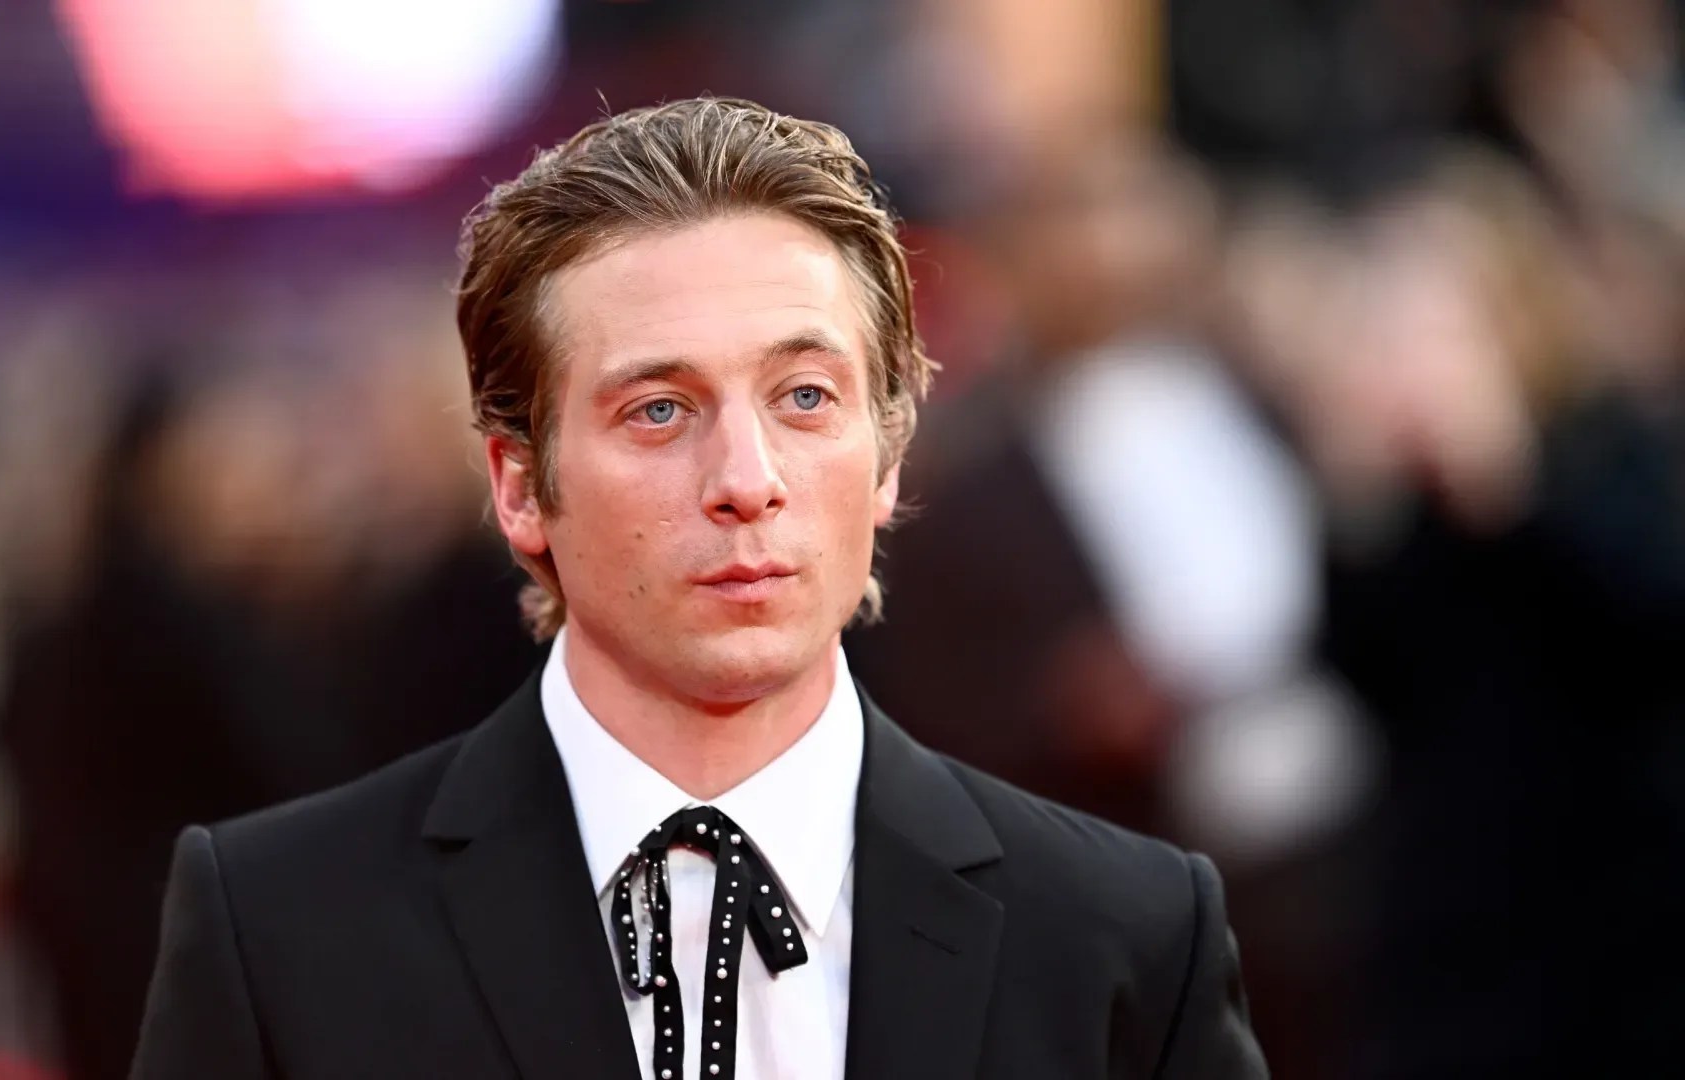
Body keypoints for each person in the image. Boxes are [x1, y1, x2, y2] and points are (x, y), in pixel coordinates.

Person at [129, 97, 1267, 1080]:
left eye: (805, 398)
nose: (747, 481)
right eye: (659, 411)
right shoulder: (282, 930)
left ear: (888, 456)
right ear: (522, 487)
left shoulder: (1124, 933)